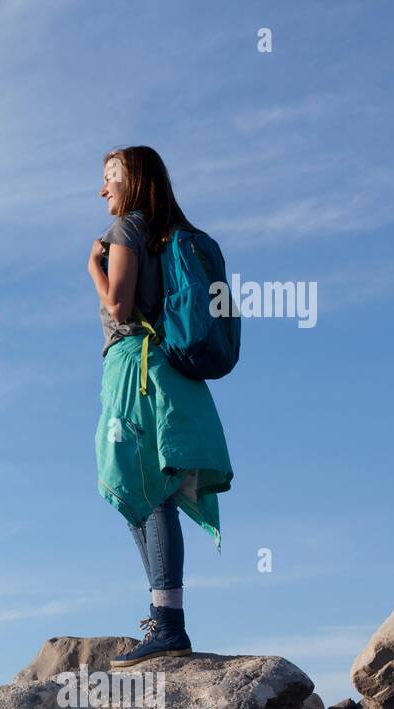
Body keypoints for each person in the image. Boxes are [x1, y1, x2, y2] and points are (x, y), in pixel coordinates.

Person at [87, 146, 234, 668]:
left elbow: (118, 305)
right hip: (166, 372)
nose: (103, 189)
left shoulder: (127, 230)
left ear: (134, 181)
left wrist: (93, 269)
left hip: (137, 368)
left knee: (144, 490)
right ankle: (164, 616)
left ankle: (167, 622)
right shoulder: (163, 233)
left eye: (110, 178)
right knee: (150, 490)